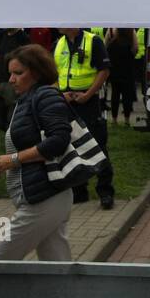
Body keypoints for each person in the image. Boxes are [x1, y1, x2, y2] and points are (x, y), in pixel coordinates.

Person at [0, 45, 89, 298]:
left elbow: (57, 142)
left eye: (18, 73)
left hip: (45, 200)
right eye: (10, 73)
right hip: (43, 197)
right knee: (58, 274)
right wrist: (5, 164)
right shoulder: (28, 99)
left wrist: (9, 160)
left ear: (37, 72)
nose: (11, 79)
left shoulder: (45, 98)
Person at [54, 27, 114, 208]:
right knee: (71, 145)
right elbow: (54, 72)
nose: (58, 25)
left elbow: (104, 70)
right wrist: (60, 93)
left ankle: (105, 191)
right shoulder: (58, 44)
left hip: (88, 102)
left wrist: (88, 94)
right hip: (67, 101)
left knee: (97, 144)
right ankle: (79, 191)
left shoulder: (92, 41)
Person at [106, 27, 137, 123]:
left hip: (114, 68)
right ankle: (127, 119)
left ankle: (114, 119)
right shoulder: (131, 30)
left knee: (115, 94)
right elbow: (135, 48)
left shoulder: (110, 30)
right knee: (126, 95)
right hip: (127, 68)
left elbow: (105, 46)